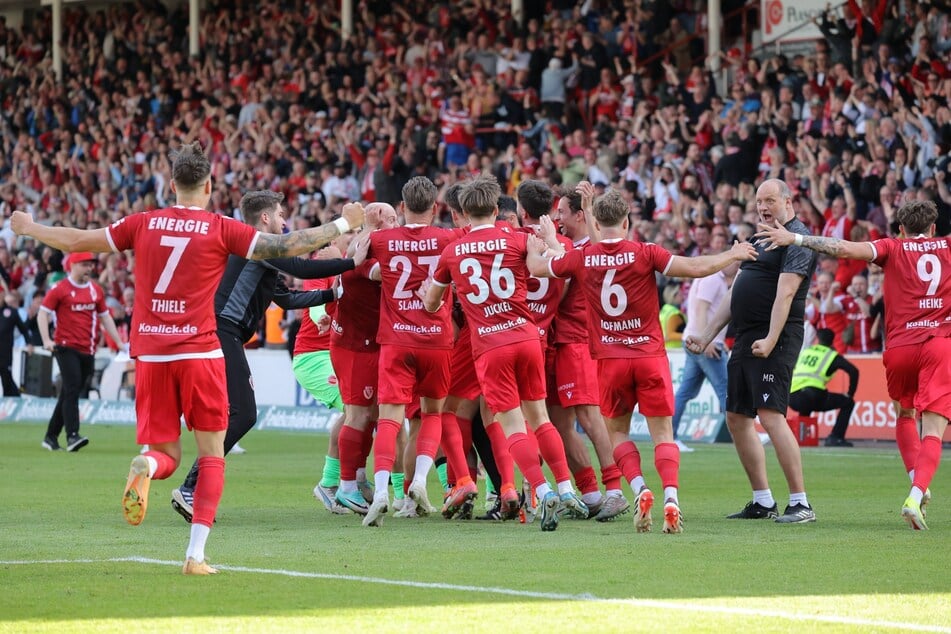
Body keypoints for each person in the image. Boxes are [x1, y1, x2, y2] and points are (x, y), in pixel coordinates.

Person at [11, 143, 365, 574]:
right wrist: (345, 222)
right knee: (213, 451)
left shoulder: (141, 223)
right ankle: (195, 555)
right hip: (202, 349)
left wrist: (29, 227)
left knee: (165, 452)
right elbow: (290, 244)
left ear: (171, 184)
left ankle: (148, 465)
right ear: (210, 186)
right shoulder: (222, 229)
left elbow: (78, 239)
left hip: (151, 353)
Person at [529, 183, 757, 534]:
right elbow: (695, 267)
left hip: (610, 359)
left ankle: (639, 488)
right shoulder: (644, 252)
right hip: (649, 355)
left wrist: (535, 245)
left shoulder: (582, 256)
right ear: (627, 222)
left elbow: (540, 267)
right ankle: (670, 497)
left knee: (618, 433)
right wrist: (733, 254)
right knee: (663, 434)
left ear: (596, 220)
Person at [169, 190, 364, 523]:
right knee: (243, 414)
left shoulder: (258, 253)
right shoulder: (257, 242)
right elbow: (301, 266)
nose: (285, 221)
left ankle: (193, 488)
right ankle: (191, 487)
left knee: (233, 414)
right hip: (222, 332)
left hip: (220, 333)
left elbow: (286, 299)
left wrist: (334, 293)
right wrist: (351, 263)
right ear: (265, 218)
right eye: (281, 214)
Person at [755, 198, 949, 530]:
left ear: (901, 229)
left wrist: (797, 239)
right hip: (938, 344)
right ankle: (916, 495)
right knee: (934, 426)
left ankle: (919, 480)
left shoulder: (891, 247)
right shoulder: (946, 246)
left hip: (901, 345)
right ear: (933, 228)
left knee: (903, 414)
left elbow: (842, 248)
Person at [425, 175, 588, 532]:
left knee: (512, 424)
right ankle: (565, 487)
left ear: (465, 213)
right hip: (527, 338)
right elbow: (550, 268)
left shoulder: (452, 252)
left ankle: (542, 492)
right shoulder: (517, 238)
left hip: (489, 345)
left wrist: (430, 290)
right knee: (540, 419)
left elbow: (431, 301)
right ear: (497, 209)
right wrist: (549, 242)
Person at [687, 178, 819, 524]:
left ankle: (801, 503)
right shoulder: (761, 237)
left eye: (770, 201)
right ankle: (763, 500)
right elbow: (734, 295)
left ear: (788, 202)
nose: (763, 207)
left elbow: (786, 294)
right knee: (736, 416)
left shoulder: (798, 239)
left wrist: (773, 338)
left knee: (771, 413)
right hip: (746, 337)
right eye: (759, 201)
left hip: (774, 336)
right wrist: (706, 336)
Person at [38, 252, 125, 452]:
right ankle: (72, 436)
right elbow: (43, 314)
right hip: (65, 346)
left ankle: (50, 436)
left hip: (88, 349)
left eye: (90, 265)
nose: (89, 269)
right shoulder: (60, 289)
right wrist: (46, 340)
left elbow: (105, 317)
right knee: (72, 386)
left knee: (71, 390)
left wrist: (119, 342)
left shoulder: (95, 290)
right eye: (85, 265)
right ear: (73, 265)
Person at [671, 260, 741, 453]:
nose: (737, 267)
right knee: (726, 389)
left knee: (686, 391)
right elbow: (701, 309)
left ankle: (670, 437)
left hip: (694, 340)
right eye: (735, 262)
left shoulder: (709, 277)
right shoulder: (713, 278)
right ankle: (744, 435)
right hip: (704, 344)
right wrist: (707, 341)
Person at [789, 328, 859, 447]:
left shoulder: (806, 351)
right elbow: (854, 371)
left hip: (791, 398)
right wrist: (850, 394)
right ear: (832, 341)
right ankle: (836, 437)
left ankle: (802, 436)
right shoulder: (831, 355)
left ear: (817, 339)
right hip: (812, 396)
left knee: (806, 400)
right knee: (848, 403)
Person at [0, 291, 30, 396]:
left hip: (5, 353)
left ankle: (12, 401)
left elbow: (24, 329)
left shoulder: (11, 312)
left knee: (6, 378)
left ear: (3, 296)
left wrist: (29, 343)